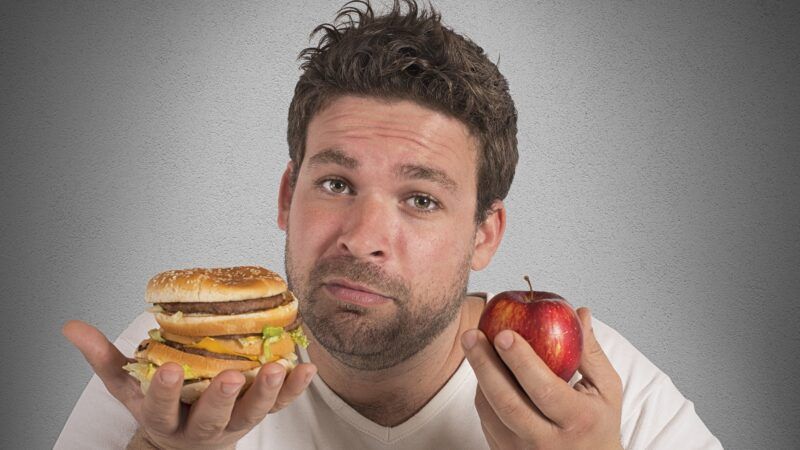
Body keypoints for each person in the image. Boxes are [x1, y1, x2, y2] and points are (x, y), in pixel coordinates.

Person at [56, 1, 722, 449]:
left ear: (485, 235)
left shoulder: (588, 398)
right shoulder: (175, 365)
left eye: (421, 200)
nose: (362, 235)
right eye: (337, 184)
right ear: (288, 196)